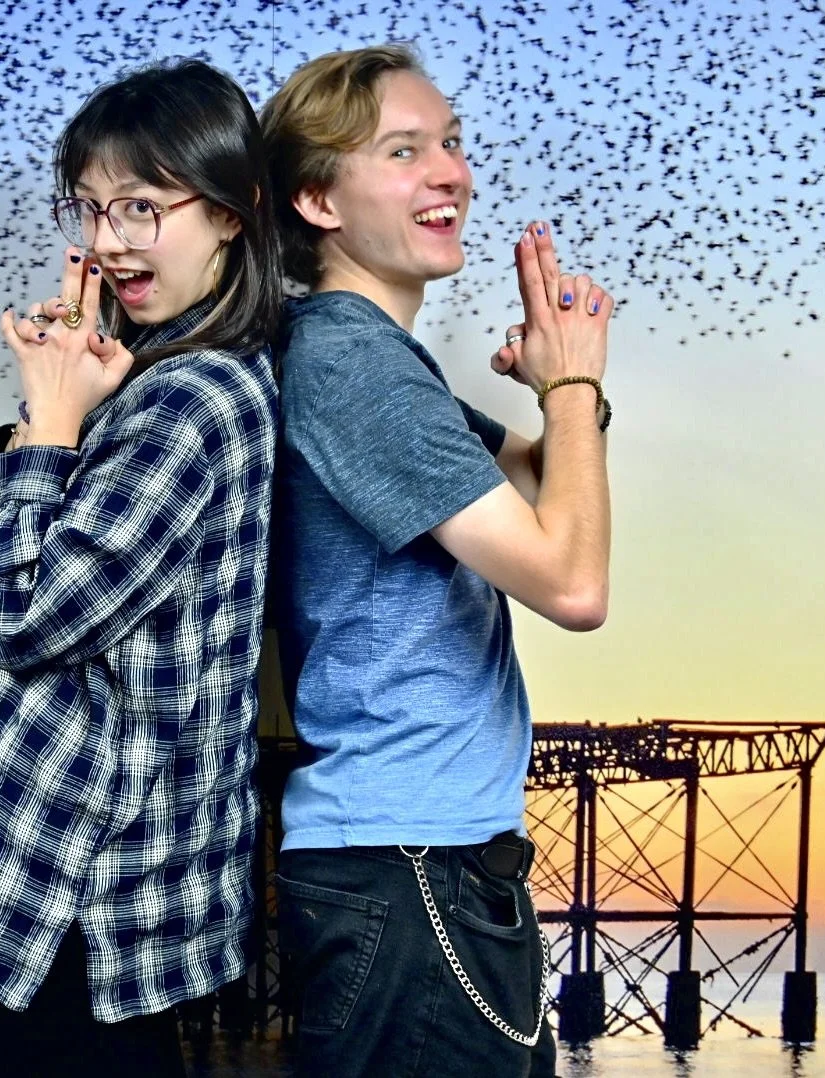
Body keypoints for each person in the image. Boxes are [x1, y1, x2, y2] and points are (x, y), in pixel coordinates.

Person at [0, 58, 282, 1076]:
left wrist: (53, 422)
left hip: (62, 898)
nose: (108, 241)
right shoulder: (140, 384)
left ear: (236, 212)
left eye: (144, 208)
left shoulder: (191, 402)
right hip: (29, 882)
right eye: (94, 208)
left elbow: (19, 618)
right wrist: (57, 420)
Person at [260, 45, 614, 1077]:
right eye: (405, 151)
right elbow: (573, 581)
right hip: (412, 869)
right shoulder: (351, 365)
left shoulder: (374, 365)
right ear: (319, 198)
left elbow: (550, 474)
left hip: (421, 863)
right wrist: (571, 389)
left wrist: (567, 389)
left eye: (452, 144)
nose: (452, 173)